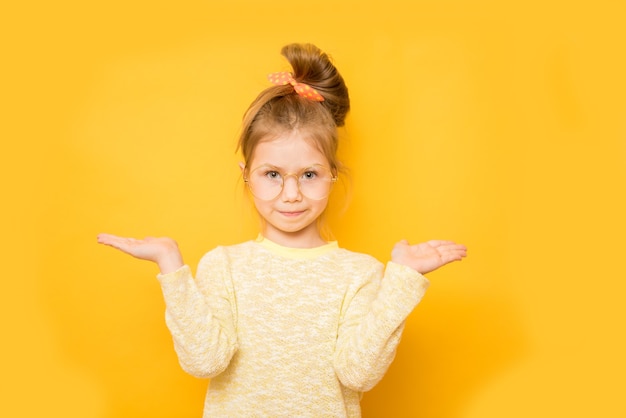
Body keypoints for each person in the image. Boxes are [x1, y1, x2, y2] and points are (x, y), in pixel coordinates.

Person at [97, 43, 467, 417]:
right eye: (272, 174)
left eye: (309, 175)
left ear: (332, 175)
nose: (291, 195)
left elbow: (358, 374)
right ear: (246, 175)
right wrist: (171, 267)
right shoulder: (223, 266)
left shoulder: (361, 273)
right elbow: (204, 362)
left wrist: (401, 281)